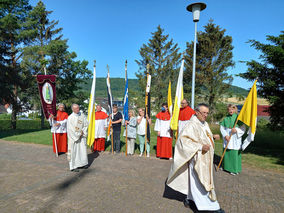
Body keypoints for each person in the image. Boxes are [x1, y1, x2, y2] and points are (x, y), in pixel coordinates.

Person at [167, 103, 225, 213]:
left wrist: (212, 137)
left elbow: (203, 137)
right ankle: (210, 206)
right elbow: (183, 141)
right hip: (197, 159)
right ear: (197, 112)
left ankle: (190, 199)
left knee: (198, 181)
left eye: (207, 113)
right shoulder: (191, 125)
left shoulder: (204, 123)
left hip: (206, 160)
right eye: (204, 113)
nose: (206, 115)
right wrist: (200, 147)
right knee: (199, 182)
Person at [220, 104, 245, 175]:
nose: (230, 111)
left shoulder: (238, 118)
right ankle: (225, 167)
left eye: (232, 109)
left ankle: (234, 169)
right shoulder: (225, 118)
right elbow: (222, 128)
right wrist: (225, 135)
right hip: (228, 137)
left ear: (235, 109)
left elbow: (243, 128)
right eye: (229, 109)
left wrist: (236, 130)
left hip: (235, 138)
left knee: (234, 153)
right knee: (226, 152)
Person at [67, 104, 88, 172]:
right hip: (74, 138)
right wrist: (78, 134)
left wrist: (83, 132)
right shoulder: (70, 117)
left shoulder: (82, 115)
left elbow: (86, 124)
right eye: (76, 108)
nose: (77, 110)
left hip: (81, 137)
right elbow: (70, 129)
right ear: (72, 109)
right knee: (74, 152)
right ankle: (73, 166)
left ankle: (82, 164)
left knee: (82, 151)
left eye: (78, 108)